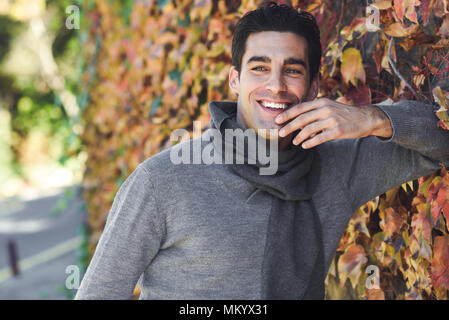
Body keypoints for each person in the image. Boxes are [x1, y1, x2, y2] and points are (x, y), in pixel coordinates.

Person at [75, 2, 449, 299]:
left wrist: (371, 119)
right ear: (235, 79)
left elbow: (441, 140)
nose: (276, 86)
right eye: (259, 68)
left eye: (293, 70)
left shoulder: (338, 166)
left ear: (313, 86)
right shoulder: (163, 182)